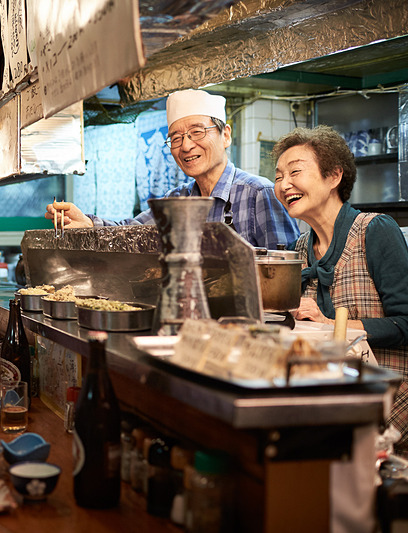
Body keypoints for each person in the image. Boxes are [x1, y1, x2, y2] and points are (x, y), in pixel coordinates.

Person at [272, 125, 408, 454]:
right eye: (278, 176)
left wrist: (332, 327)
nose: (283, 184)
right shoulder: (298, 248)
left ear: (334, 176)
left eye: (295, 172)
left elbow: (406, 322)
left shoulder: (374, 231)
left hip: (391, 405)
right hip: (335, 401)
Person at [45, 89, 300, 250]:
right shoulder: (178, 200)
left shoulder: (259, 193)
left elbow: (289, 274)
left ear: (226, 135)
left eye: (197, 132)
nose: (186, 145)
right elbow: (128, 233)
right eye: (176, 138)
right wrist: (88, 223)